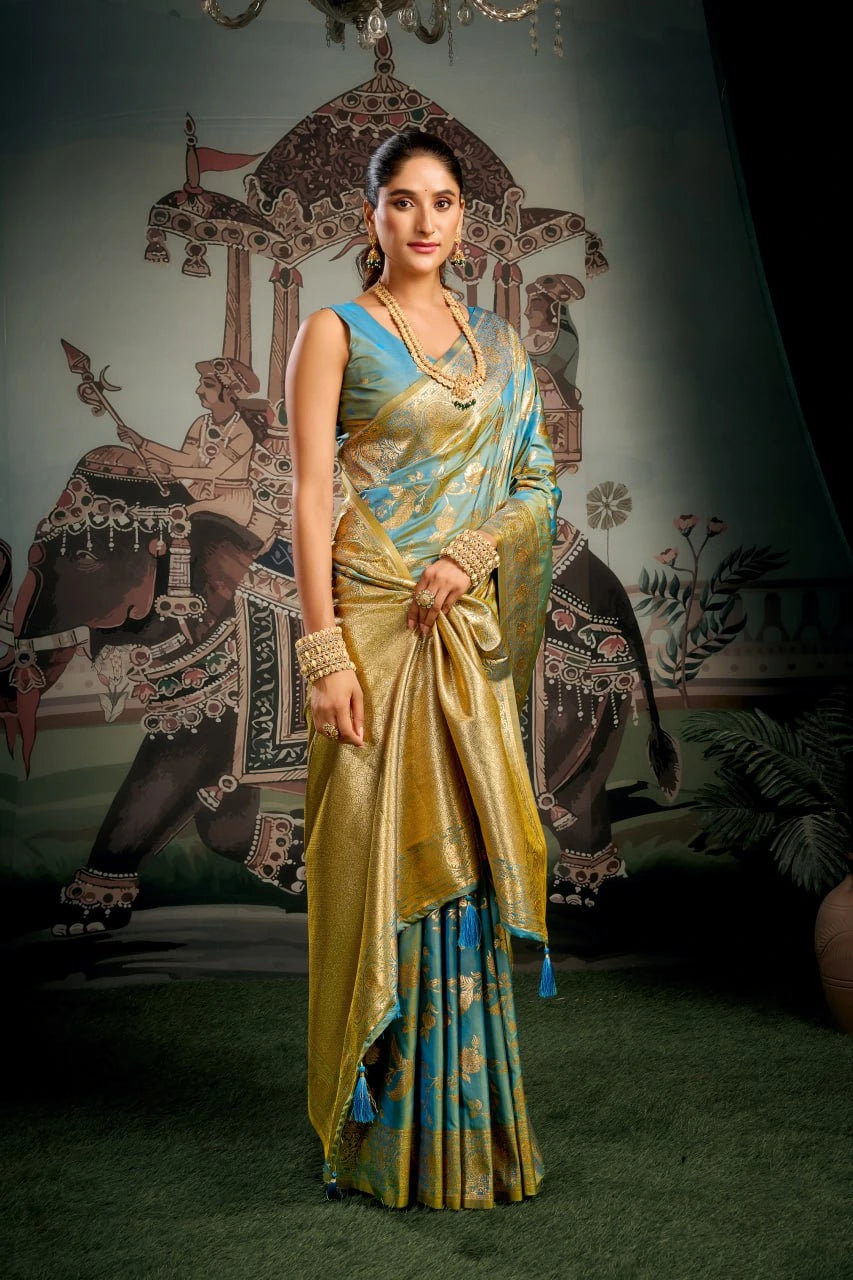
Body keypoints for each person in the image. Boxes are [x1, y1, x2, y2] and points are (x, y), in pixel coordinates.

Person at [285, 128, 562, 1211]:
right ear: (372, 217)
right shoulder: (336, 332)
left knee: (467, 868)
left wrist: (472, 551)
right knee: (371, 866)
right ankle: (375, 1136)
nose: (424, 220)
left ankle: (470, 1142)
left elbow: (534, 480)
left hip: (462, 628)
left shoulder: (500, 345)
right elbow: (308, 498)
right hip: (371, 632)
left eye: (442, 201)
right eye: (401, 201)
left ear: (465, 219)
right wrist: (322, 653)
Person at [118, 357, 277, 548]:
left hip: (231, 502)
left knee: (179, 519)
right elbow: (187, 459)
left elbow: (212, 472)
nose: (199, 391)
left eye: (208, 385)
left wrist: (169, 470)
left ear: (228, 392)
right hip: (199, 493)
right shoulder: (202, 423)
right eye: (201, 384)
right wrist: (142, 443)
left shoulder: (243, 433)